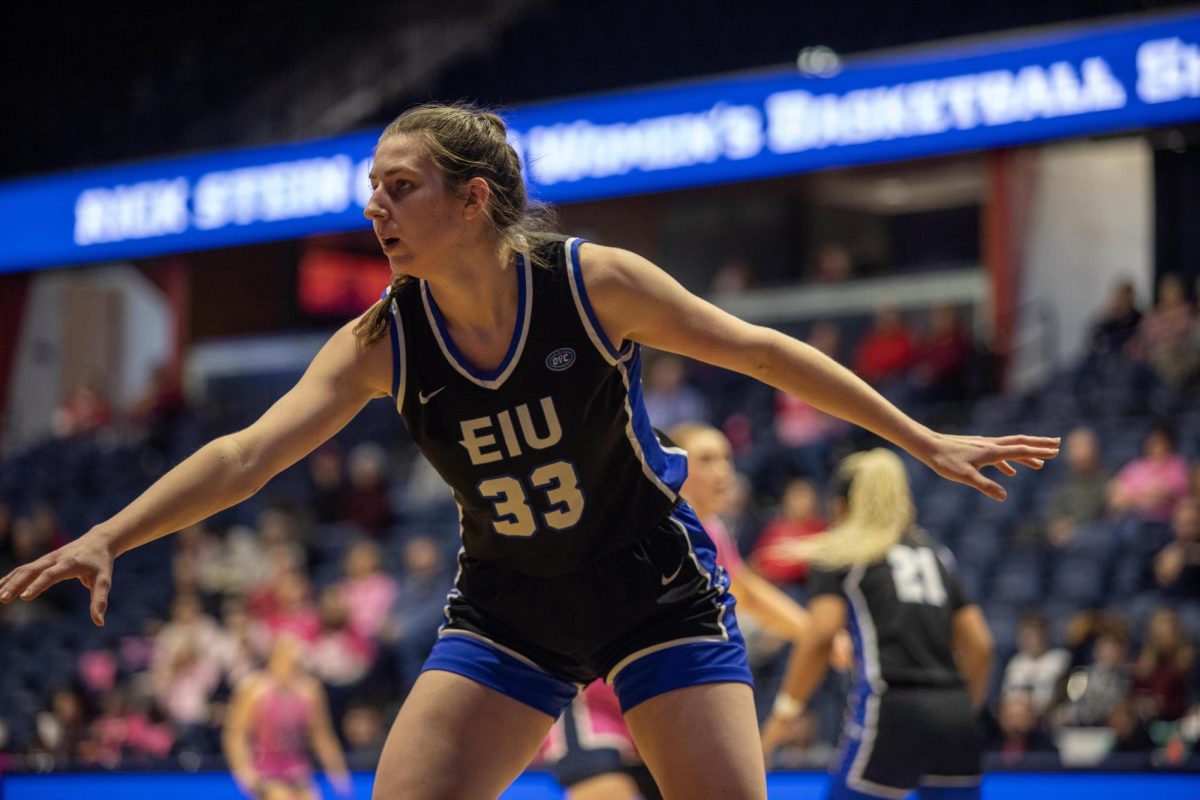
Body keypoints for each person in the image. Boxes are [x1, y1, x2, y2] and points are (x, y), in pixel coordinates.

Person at [0, 102, 1058, 800]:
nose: (376, 204)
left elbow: (761, 350)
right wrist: (110, 531)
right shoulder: (383, 337)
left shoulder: (592, 283)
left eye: (400, 184)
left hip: (650, 584)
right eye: (370, 184)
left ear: (473, 198)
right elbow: (245, 453)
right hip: (511, 600)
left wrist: (920, 437)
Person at [539, 422, 814, 800]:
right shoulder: (633, 521)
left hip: (665, 705)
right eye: (706, 459)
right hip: (601, 705)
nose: (722, 471)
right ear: (674, 464)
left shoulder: (712, 529)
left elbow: (746, 588)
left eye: (726, 458)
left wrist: (816, 635)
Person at [766, 449, 995, 799]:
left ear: (841, 506)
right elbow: (980, 645)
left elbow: (822, 635)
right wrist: (962, 708)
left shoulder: (843, 552)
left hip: (891, 708)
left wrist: (783, 717)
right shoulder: (936, 553)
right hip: (954, 712)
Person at [223, 633, 352, 800]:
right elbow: (236, 735)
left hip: (298, 770)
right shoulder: (254, 690)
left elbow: (321, 735)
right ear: (274, 660)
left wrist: (338, 774)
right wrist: (245, 772)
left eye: (295, 664)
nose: (290, 668)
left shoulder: (310, 691)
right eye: (286, 661)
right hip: (266, 771)